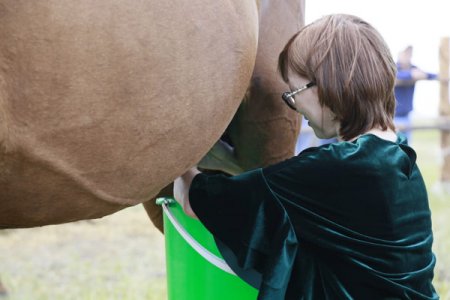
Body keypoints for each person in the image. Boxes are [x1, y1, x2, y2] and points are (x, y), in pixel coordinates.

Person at [174, 14, 438, 299]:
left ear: (326, 83)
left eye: (294, 92)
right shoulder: (401, 157)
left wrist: (180, 162)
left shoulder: (333, 168)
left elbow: (196, 200)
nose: (293, 106)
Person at [394, 45, 438, 142]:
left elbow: (428, 75)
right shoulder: (394, 68)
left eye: (409, 54)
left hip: (406, 115)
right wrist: (411, 75)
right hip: (393, 116)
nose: (407, 57)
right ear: (400, 54)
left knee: (407, 146)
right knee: (394, 146)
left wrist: (439, 75)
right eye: (405, 54)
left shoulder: (414, 68)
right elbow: (394, 76)